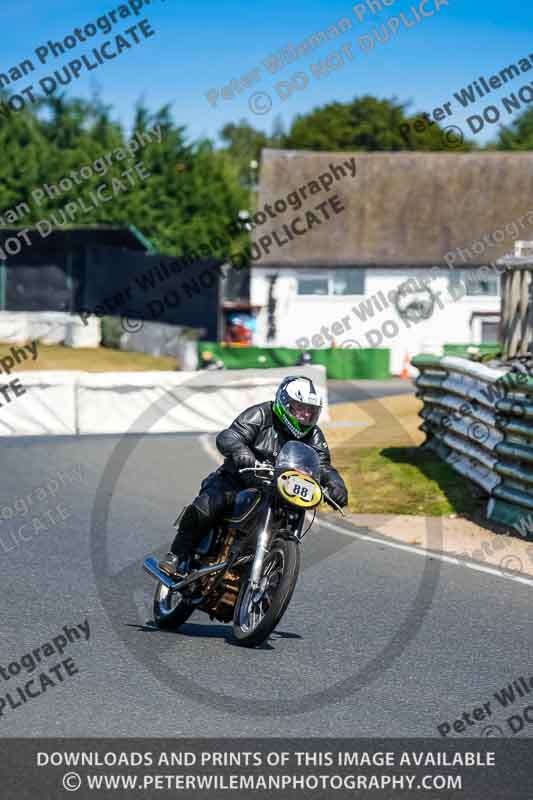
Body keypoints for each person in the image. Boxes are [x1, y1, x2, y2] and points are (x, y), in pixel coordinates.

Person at [159, 375, 348, 579]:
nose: (305, 415)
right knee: (207, 506)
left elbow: (323, 465)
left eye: (310, 411)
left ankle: (270, 577)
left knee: (293, 515)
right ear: (285, 403)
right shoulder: (261, 414)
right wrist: (241, 451)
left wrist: (336, 485)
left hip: (280, 490)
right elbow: (230, 435)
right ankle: (177, 555)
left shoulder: (314, 435)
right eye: (299, 408)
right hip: (238, 479)